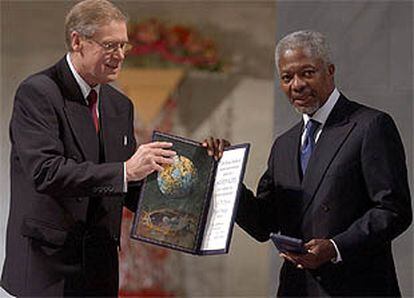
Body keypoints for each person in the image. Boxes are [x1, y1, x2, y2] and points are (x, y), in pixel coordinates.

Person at [209, 30, 412, 296]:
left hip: (357, 287)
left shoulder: (370, 126)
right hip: (298, 290)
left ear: (330, 71)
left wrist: (335, 247)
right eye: (287, 77)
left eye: (307, 73)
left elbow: (393, 210)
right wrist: (223, 174)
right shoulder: (284, 144)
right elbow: (263, 224)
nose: (297, 84)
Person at [0, 0, 179, 296]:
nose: (120, 56)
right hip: (49, 267)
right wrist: (125, 171)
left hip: (99, 266)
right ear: (77, 41)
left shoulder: (120, 105)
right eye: (110, 46)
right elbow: (46, 172)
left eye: (124, 46)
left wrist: (187, 194)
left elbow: (127, 184)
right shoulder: (38, 93)